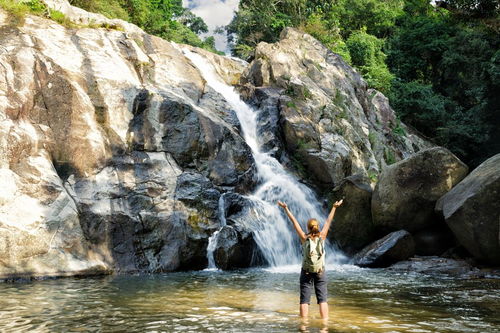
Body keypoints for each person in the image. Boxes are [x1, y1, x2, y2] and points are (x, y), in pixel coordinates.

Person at [277, 199, 344, 319]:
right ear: (317, 227)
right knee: (322, 299)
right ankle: (325, 325)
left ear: (308, 228)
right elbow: (328, 221)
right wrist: (334, 207)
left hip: (306, 271)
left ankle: (304, 325)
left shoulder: (304, 238)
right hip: (320, 271)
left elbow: (294, 222)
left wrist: (285, 208)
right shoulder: (322, 236)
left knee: (304, 300)